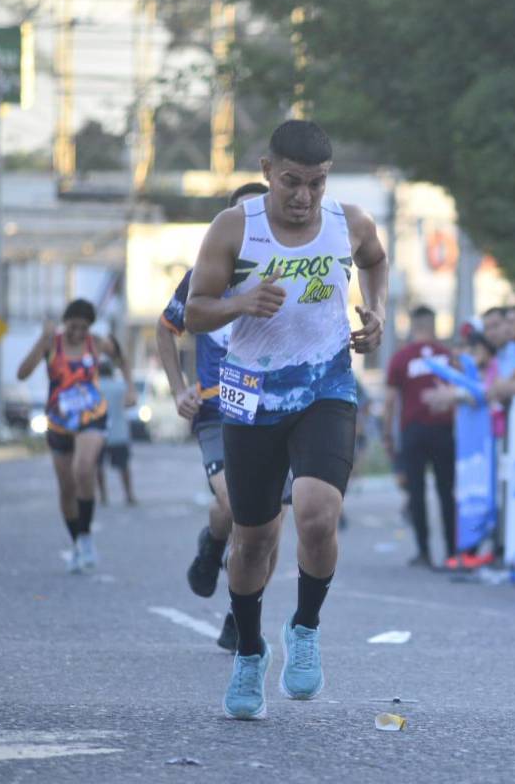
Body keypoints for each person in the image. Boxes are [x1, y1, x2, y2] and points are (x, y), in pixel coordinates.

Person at [184, 119, 388, 720]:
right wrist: (241, 303)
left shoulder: (348, 223)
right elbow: (193, 312)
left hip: (325, 385)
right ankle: (250, 651)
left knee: (319, 514)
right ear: (268, 171)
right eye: (292, 182)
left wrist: (375, 313)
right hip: (251, 393)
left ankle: (305, 628)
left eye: (317, 184)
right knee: (253, 539)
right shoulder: (233, 228)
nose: (303, 197)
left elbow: (376, 261)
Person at [156, 181, 283, 652]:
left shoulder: (285, 272)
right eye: (238, 216)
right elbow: (166, 329)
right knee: (235, 507)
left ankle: (240, 613)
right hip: (218, 408)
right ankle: (213, 544)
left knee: (270, 529)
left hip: (278, 409)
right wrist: (178, 390)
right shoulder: (205, 274)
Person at [17, 299, 134, 573]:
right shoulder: (51, 343)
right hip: (58, 422)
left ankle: (87, 539)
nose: (78, 333)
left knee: (84, 470)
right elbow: (22, 374)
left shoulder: (96, 343)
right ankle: (78, 541)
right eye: (72, 326)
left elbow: (123, 359)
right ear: (64, 323)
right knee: (67, 488)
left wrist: (130, 389)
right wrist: (41, 341)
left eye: (83, 327)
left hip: (91, 416)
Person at [385, 305, 456, 568]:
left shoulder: (401, 357)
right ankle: (451, 551)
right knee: (446, 491)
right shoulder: (448, 356)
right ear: (434, 325)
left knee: (416, 493)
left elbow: (391, 401)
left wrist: (387, 436)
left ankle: (424, 551)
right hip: (443, 430)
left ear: (413, 326)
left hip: (413, 431)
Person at [96, 359, 137, 506]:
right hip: (119, 432)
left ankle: (103, 495)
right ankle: (129, 495)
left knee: (98, 466)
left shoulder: (95, 387)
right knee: (123, 466)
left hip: (98, 432)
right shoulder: (120, 387)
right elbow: (131, 402)